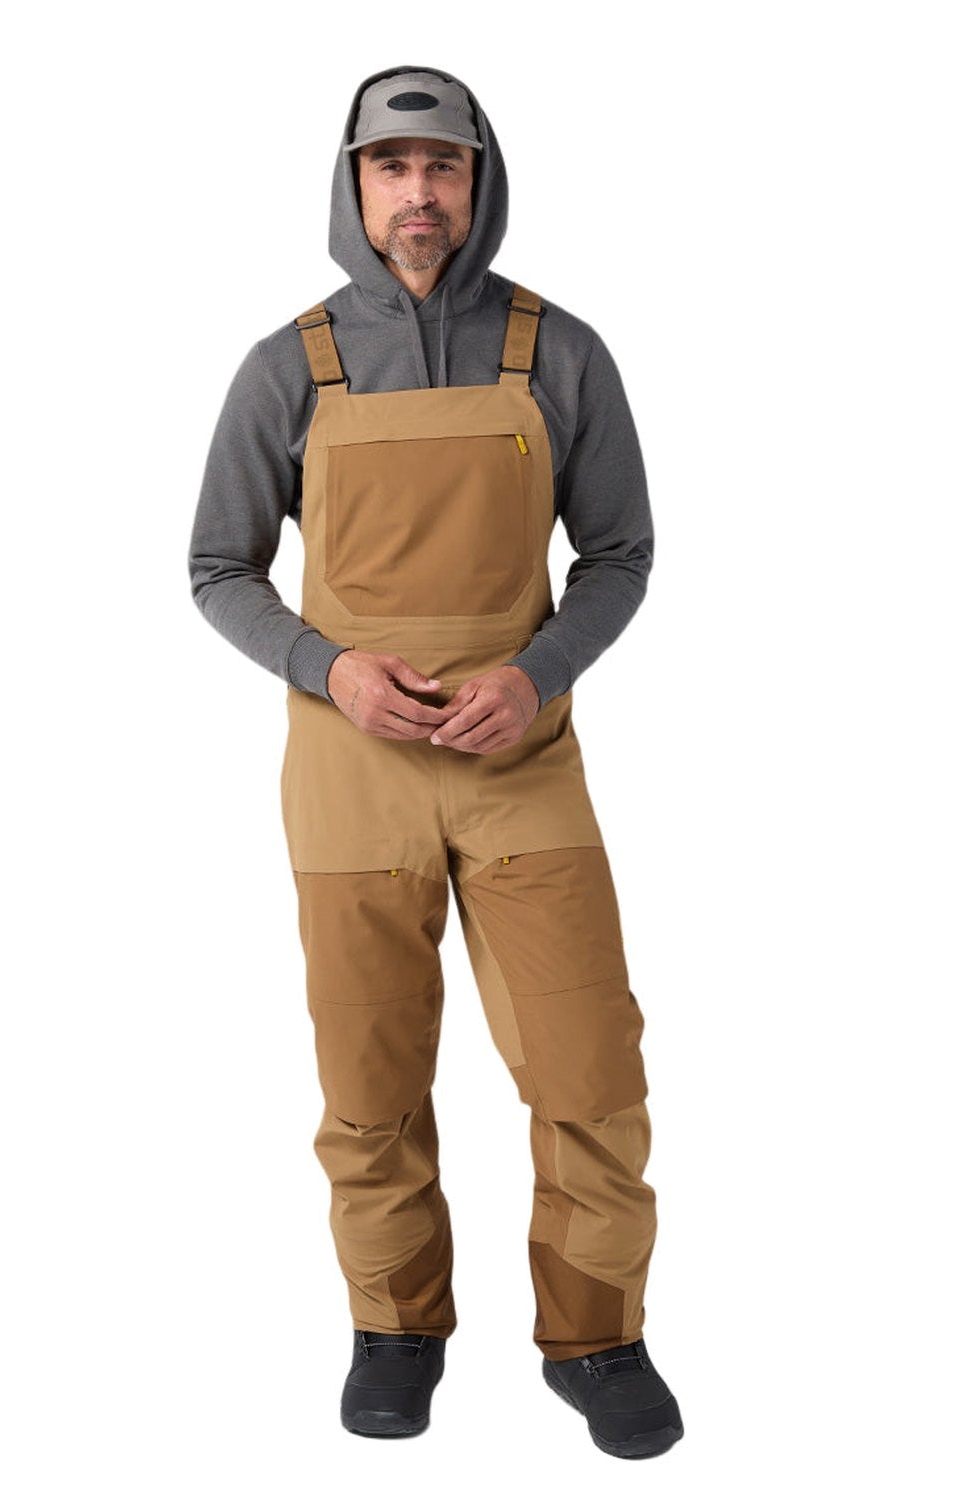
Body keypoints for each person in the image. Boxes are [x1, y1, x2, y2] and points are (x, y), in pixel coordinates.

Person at [189, 65, 683, 1459]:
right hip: (350, 770)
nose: (419, 192)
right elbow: (219, 568)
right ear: (354, 183)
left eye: (443, 165)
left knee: (591, 1070)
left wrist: (537, 674)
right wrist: (328, 667)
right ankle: (395, 1327)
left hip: (524, 759)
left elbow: (621, 554)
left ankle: (598, 1338)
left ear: (480, 180)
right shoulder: (288, 366)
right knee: (370, 1080)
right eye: (392, 165)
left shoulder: (560, 353)